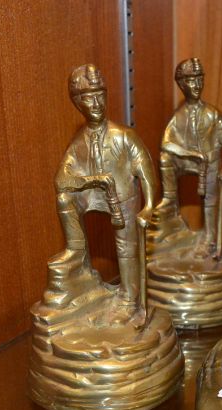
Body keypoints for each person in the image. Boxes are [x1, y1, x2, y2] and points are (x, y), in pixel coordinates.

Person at [54, 64, 156, 316]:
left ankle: (130, 298)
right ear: (77, 103)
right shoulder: (78, 143)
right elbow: (61, 180)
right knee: (65, 198)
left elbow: (145, 169)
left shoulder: (124, 136)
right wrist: (92, 181)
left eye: (100, 95)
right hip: (92, 194)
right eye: (89, 97)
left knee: (125, 245)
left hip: (123, 197)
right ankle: (77, 258)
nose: (97, 103)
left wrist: (149, 206)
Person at [158, 57, 222, 257]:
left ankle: (209, 239)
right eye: (192, 80)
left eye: (200, 79)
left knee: (209, 200)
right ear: (182, 84)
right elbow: (166, 143)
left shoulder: (212, 114)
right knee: (165, 158)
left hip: (210, 162)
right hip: (189, 161)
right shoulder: (179, 116)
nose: (197, 85)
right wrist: (190, 154)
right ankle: (169, 204)